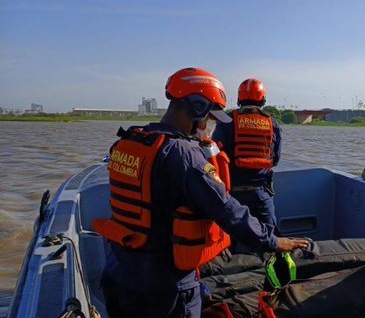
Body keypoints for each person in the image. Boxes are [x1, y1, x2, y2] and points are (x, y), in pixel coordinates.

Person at [93, 68, 308, 318]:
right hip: (163, 291)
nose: (208, 124)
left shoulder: (129, 142)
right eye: (208, 115)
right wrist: (275, 241)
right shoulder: (182, 154)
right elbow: (228, 210)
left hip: (119, 276)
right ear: (197, 108)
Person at [212, 78, 282, 243]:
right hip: (261, 194)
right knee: (271, 240)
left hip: (232, 195)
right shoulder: (273, 123)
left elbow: (214, 152)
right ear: (263, 100)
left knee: (230, 241)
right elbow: (276, 159)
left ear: (238, 99)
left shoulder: (226, 121)